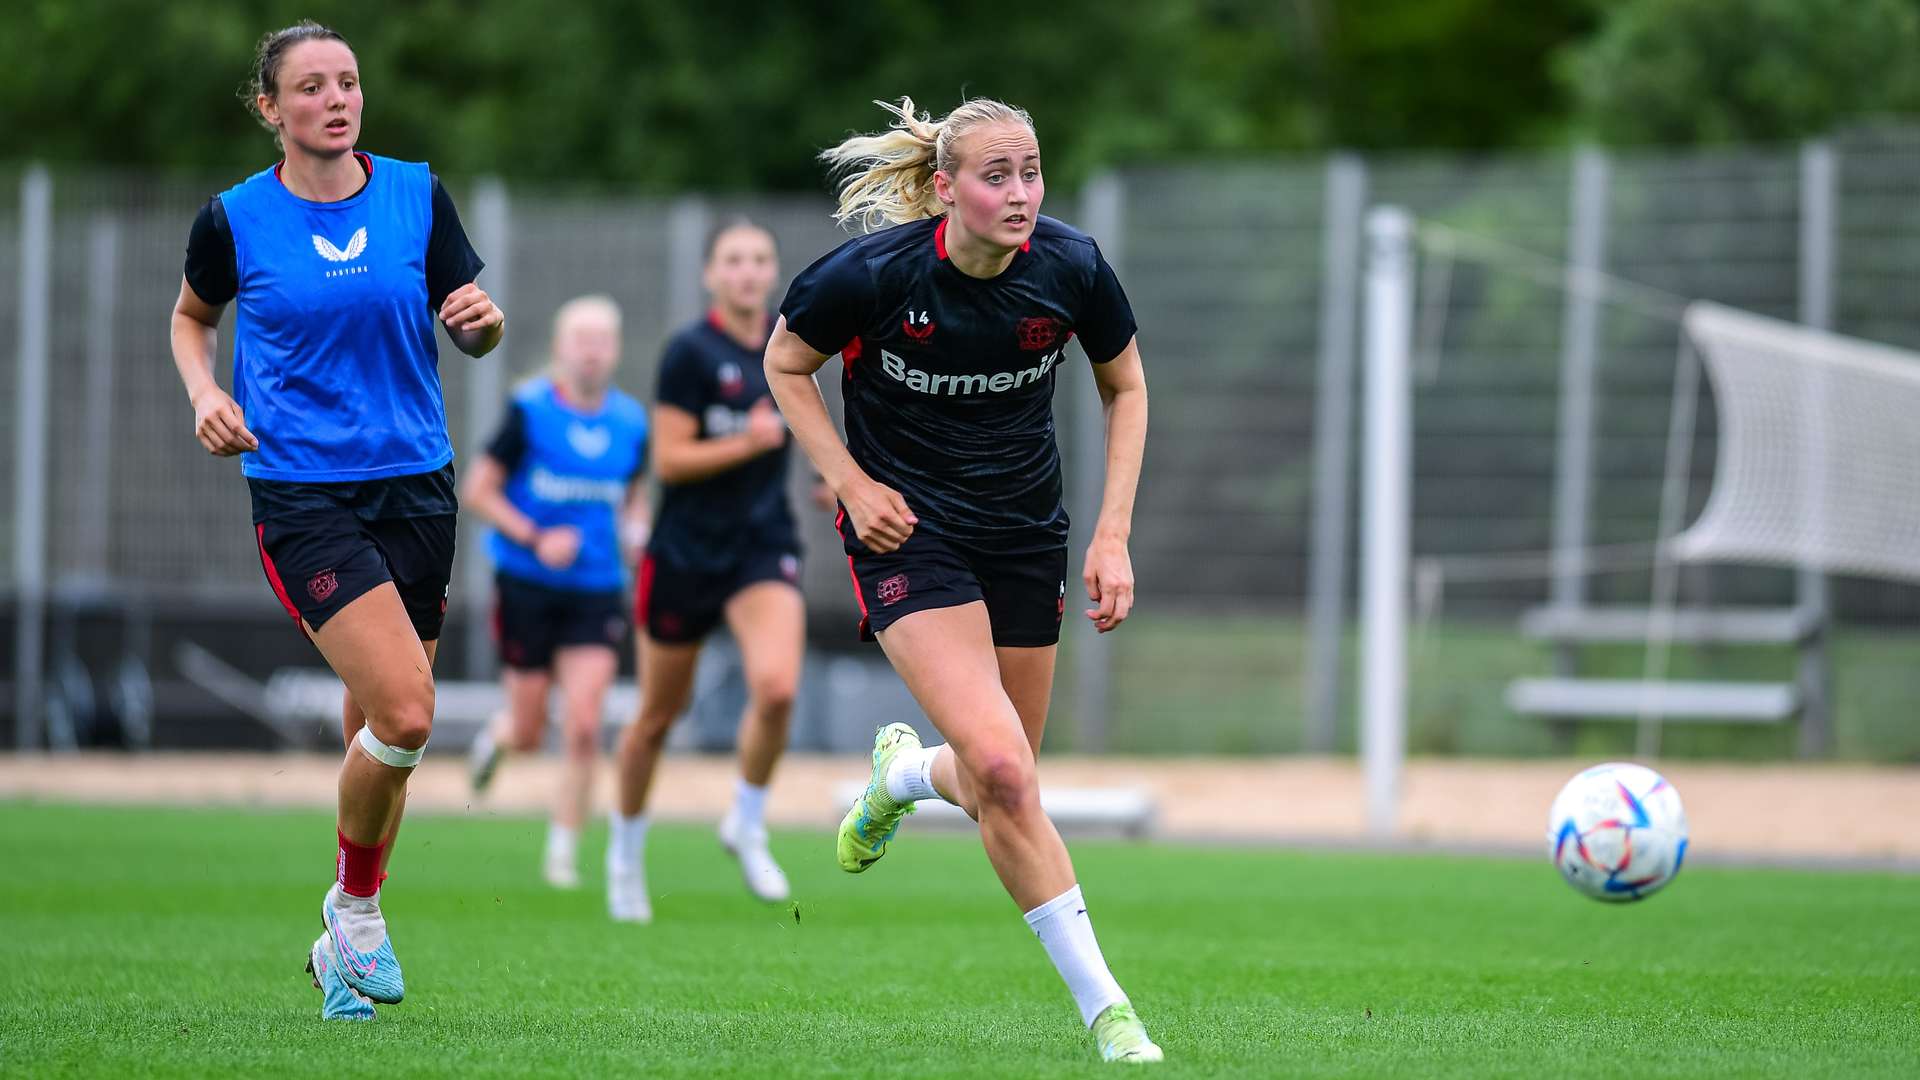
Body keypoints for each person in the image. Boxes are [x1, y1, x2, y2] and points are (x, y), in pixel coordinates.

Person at [764, 97, 1160, 1063]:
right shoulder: (873, 274)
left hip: (1026, 537)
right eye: (997, 175)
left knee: (1002, 782)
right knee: (1004, 772)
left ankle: (901, 773)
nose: (1020, 193)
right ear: (945, 188)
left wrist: (1112, 536)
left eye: (1031, 171)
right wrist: (852, 486)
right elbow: (784, 363)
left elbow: (1127, 384)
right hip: (911, 540)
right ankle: (1110, 1012)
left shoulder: (1071, 266)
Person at [168, 21, 502, 1021]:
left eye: (348, 82)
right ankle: (356, 912)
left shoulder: (416, 193)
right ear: (270, 108)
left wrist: (481, 328)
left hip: (418, 486)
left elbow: (469, 315)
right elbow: (192, 318)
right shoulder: (233, 219)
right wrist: (202, 394)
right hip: (304, 492)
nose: (336, 98)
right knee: (407, 714)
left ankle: (336, 956)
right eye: (310, 86)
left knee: (375, 730)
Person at [606, 218, 815, 924]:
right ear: (711, 274)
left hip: (760, 547)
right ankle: (625, 854)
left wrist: (831, 478)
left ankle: (746, 822)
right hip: (686, 551)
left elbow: (808, 433)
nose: (750, 271)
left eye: (761, 259)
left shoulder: (791, 349)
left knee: (779, 688)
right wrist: (750, 441)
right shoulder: (691, 353)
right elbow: (670, 461)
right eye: (734, 260)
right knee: (657, 718)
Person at [463, 296, 650, 889]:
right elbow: (480, 492)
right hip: (527, 583)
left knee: (587, 726)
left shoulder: (631, 423)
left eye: (601, 340)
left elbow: (634, 500)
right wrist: (536, 536)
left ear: (615, 350)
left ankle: (563, 851)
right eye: (581, 340)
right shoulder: (529, 412)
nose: (591, 351)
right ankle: (498, 737)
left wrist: (641, 534)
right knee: (528, 729)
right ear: (560, 348)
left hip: (596, 588)